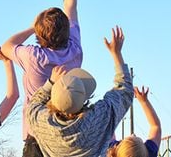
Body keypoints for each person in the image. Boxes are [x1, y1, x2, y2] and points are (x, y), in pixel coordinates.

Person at [1, 0, 84, 157]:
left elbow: (7, 46)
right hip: (66, 135)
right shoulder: (75, 51)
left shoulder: (33, 56)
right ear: (67, 31)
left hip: (37, 136)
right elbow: (71, 5)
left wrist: (31, 28)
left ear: (39, 35)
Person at [26, 26, 134, 157]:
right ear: (84, 98)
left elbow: (33, 105)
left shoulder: (42, 123)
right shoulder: (99, 118)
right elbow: (125, 90)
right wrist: (116, 53)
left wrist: (50, 83)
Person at [107, 85, 162, 157]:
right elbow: (155, 126)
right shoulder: (149, 152)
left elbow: (109, 128)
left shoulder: (113, 150)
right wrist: (144, 101)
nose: (133, 134)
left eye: (131, 137)